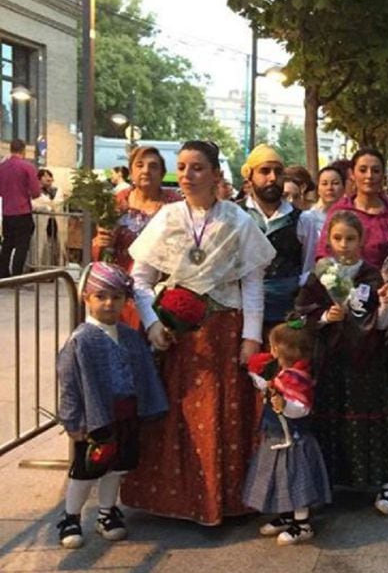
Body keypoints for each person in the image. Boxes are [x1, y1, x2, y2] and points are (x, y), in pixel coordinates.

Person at [124, 140, 276, 525]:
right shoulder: (168, 217)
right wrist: (154, 322)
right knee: (181, 413)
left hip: (224, 330)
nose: (187, 176)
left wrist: (251, 337)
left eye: (197, 168)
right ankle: (181, 499)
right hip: (179, 335)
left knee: (222, 412)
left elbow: (252, 284)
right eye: (182, 167)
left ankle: (224, 499)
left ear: (215, 174)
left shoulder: (238, 221)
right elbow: (140, 279)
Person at [296, 210, 388, 514]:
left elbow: (382, 324)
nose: (344, 245)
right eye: (338, 238)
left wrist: (384, 304)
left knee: (372, 420)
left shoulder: (370, 275)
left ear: (362, 240)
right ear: (328, 240)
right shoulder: (320, 273)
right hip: (331, 361)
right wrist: (323, 317)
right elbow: (300, 313)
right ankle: (330, 480)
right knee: (332, 419)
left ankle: (384, 482)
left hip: (365, 362)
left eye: (351, 239)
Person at [55, 263, 169, 548]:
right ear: (86, 298)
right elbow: (69, 384)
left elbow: (142, 369)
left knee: (117, 466)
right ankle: (71, 517)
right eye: (101, 296)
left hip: (127, 413)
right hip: (97, 417)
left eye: (116, 297)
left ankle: (107, 512)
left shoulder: (130, 335)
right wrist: (73, 421)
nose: (109, 303)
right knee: (87, 468)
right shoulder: (80, 340)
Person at [243, 322, 332, 545]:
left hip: (293, 441)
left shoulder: (297, 378)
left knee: (295, 480)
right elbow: (270, 386)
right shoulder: (283, 374)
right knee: (280, 479)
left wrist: (284, 405)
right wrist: (257, 375)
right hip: (276, 437)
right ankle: (287, 514)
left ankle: (302, 524)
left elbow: (302, 408)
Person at [91, 147, 182, 327]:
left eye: (153, 166)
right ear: (131, 171)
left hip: (159, 291)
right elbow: (98, 247)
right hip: (118, 291)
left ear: (163, 173)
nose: (146, 170)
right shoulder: (117, 201)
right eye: (139, 165)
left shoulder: (175, 204)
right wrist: (101, 243)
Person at [242, 145, 303, 330]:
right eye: (264, 171)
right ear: (250, 176)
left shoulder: (301, 219)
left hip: (287, 314)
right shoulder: (235, 215)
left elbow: (308, 268)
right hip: (242, 312)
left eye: (278, 172)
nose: (272, 178)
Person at [317, 147, 388, 269]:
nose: (369, 176)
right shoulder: (339, 211)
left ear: (383, 176)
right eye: (363, 170)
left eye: (376, 171)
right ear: (352, 174)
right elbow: (324, 253)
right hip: (345, 283)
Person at [0, 138, 42, 278]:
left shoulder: (2, 167)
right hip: (23, 212)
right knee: (22, 245)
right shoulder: (27, 167)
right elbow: (36, 192)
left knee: (7, 244)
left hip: (7, 213)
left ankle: (3, 274)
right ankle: (17, 276)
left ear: (10, 149)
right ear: (23, 150)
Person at [298, 165, 346, 284]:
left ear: (344, 187)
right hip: (312, 281)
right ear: (318, 188)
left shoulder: (349, 218)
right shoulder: (307, 218)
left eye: (335, 183)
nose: (330, 188)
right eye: (324, 183)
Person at [34, 168, 61, 267]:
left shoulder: (55, 190)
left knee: (52, 244)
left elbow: (58, 203)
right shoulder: (36, 191)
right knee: (41, 245)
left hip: (52, 220)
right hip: (40, 222)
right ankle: (40, 267)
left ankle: (51, 266)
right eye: (45, 176)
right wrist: (48, 205)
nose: (48, 178)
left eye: (50, 176)